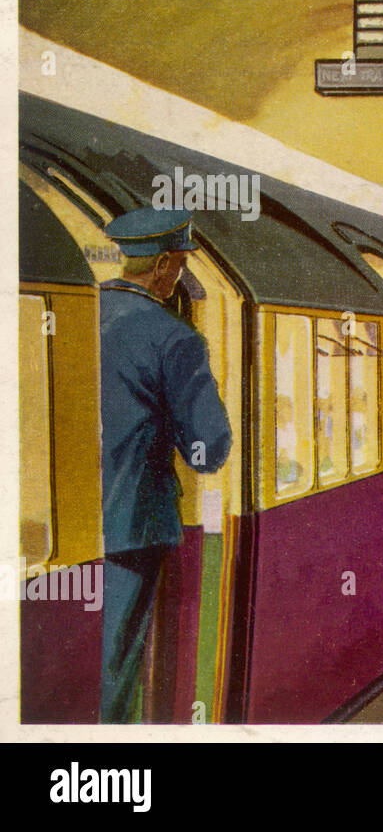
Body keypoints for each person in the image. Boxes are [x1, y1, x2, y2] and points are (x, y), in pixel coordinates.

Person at [99, 206, 232, 723]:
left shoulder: (82, 310)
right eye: (178, 263)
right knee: (116, 660)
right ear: (162, 268)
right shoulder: (174, 337)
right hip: (134, 523)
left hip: (65, 522)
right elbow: (210, 447)